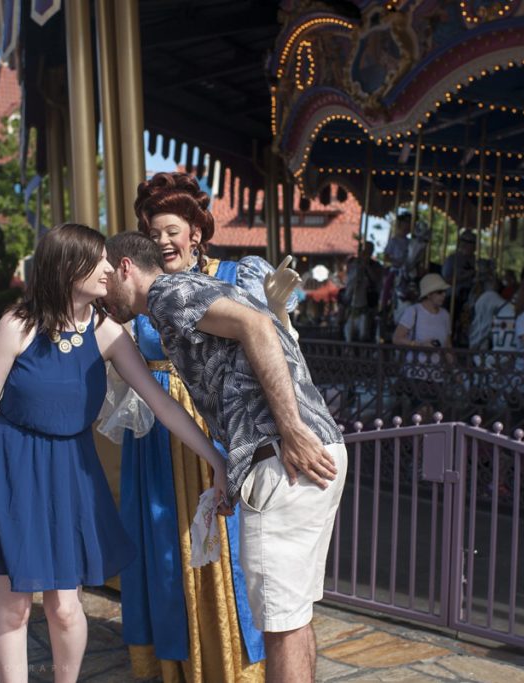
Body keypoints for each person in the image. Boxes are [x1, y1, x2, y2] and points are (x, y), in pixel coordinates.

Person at [0, 224, 230, 683]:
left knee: (64, 607)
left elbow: (161, 405)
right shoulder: (17, 326)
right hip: (11, 468)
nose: (108, 269)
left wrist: (216, 457)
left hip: (71, 472)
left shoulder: (107, 332)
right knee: (15, 608)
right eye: (98, 260)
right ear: (66, 267)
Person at [103, 231, 346, 683]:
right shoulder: (196, 289)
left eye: (105, 279)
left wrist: (289, 430)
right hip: (310, 450)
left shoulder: (167, 293)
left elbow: (255, 329)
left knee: (280, 627)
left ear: (124, 267)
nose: (103, 293)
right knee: (294, 618)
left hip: (285, 457)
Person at [117, 171, 267, 682]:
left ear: (196, 231)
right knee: (163, 545)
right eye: (153, 232)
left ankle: (232, 665)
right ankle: (176, 661)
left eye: (171, 230)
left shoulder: (234, 274)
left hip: (219, 419)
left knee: (226, 545)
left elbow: (269, 341)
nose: (162, 241)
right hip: (157, 433)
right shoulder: (143, 286)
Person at [392, 273, 451, 348]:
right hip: (416, 359)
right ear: (429, 294)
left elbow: (448, 345)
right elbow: (397, 338)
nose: (444, 295)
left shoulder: (445, 315)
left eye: (444, 291)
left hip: (439, 359)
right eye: (439, 292)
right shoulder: (413, 311)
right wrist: (419, 344)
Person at [343, 241, 383, 342]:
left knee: (373, 304)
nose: (366, 253)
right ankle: (340, 321)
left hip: (369, 293)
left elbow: (376, 279)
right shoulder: (353, 262)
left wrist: (366, 266)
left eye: (368, 251)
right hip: (354, 290)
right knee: (343, 299)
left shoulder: (375, 265)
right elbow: (349, 276)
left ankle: (372, 327)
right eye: (364, 250)